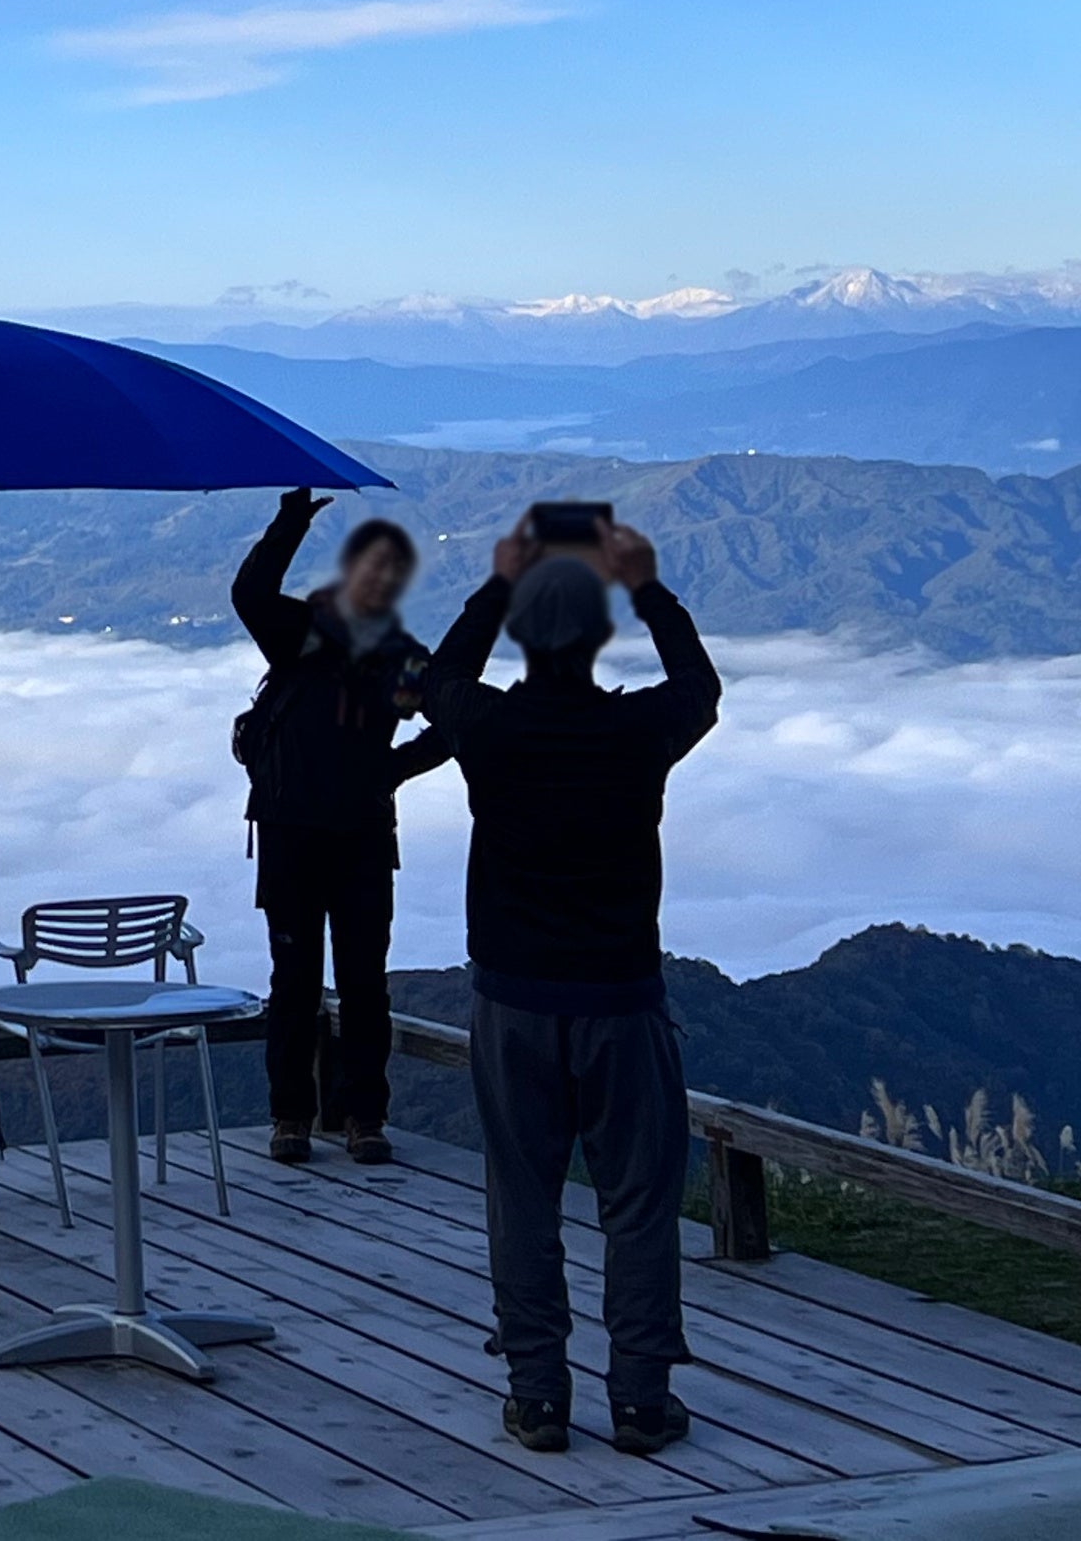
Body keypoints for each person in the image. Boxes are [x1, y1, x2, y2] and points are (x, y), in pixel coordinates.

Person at [418, 509, 722, 1462]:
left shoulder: (490, 728)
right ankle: (640, 1401)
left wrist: (497, 580)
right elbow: (701, 689)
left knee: (523, 1196)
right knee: (637, 1204)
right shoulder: (636, 731)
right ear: (597, 638)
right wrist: (646, 582)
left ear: (523, 633)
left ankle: (538, 1397)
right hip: (622, 1003)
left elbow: (436, 682)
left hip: (511, 1001)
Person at [231, 487, 449, 1165]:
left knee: (354, 982)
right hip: (314, 834)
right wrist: (291, 518)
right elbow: (250, 592)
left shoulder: (390, 655)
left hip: (336, 834)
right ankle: (302, 1116)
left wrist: (390, 769)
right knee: (303, 981)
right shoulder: (306, 635)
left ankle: (350, 1117)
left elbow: (454, 713)